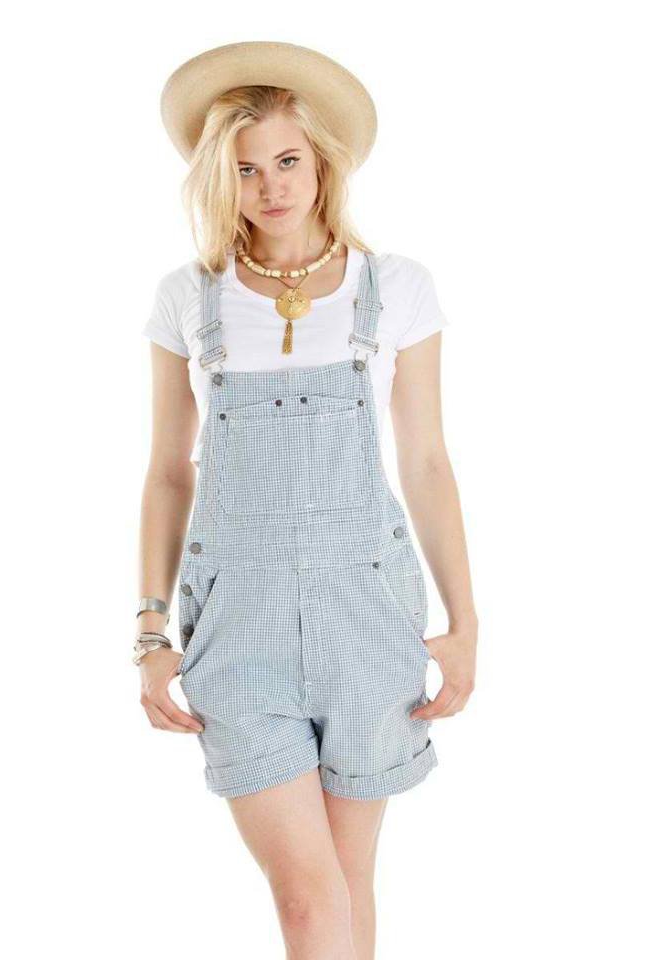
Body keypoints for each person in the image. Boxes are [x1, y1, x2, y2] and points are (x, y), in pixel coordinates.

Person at [135, 41, 478, 959]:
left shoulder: (394, 289)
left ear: (324, 161)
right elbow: (168, 472)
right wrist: (149, 632)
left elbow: (428, 463)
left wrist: (465, 623)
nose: (270, 187)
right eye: (246, 169)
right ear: (221, 178)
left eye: (287, 160)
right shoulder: (190, 298)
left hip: (365, 609)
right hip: (236, 619)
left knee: (347, 886)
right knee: (307, 899)